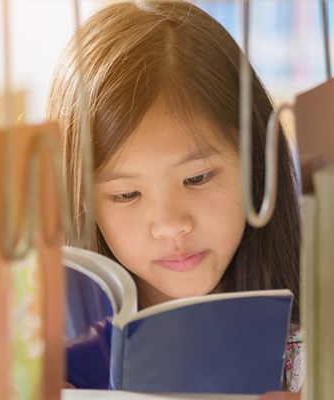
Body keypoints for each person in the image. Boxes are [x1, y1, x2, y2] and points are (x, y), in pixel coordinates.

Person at [47, 0, 303, 392]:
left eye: (198, 177)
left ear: (256, 160)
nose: (170, 225)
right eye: (127, 194)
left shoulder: (327, 335)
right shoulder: (44, 350)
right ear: (79, 201)